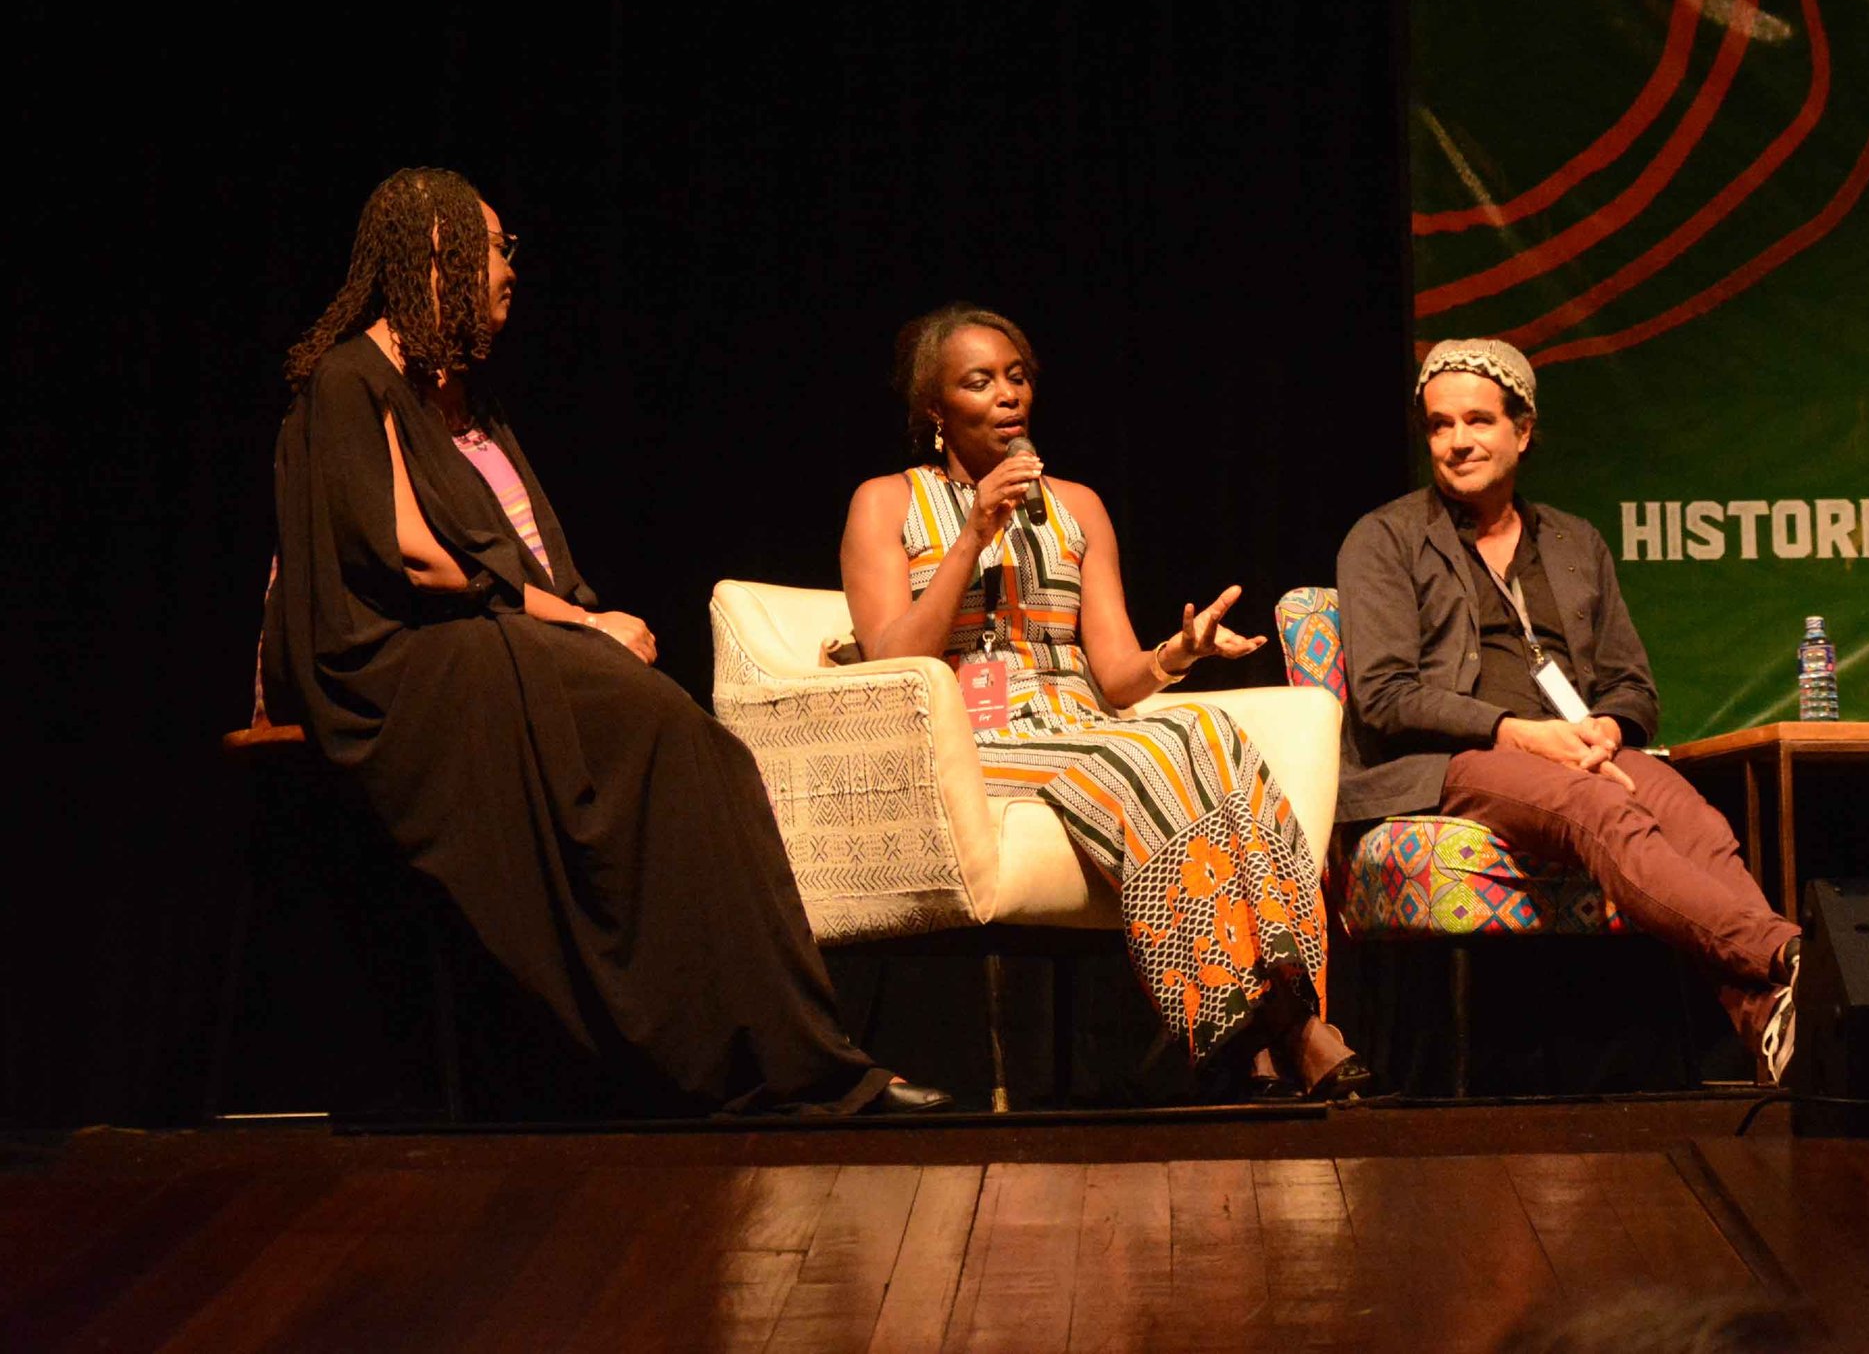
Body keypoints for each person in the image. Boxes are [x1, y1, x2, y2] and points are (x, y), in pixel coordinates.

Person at [262, 167, 943, 1117]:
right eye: (497, 245)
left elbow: (525, 558)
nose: (510, 269)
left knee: (698, 754)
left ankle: (782, 1051)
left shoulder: (471, 404)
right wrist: (584, 625)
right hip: (400, 664)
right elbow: (412, 558)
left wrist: (580, 620)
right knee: (665, 738)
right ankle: (734, 1060)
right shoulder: (351, 380)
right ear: (438, 253)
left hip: (493, 639)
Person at [839, 304, 1367, 1097]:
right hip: (967, 738)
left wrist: (1176, 654)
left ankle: (1277, 1012)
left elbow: (1116, 673)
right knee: (1149, 748)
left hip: (1078, 723)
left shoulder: (1077, 505)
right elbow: (892, 660)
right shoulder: (886, 503)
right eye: (979, 382)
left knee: (1204, 725)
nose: (1007, 394)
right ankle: (1274, 1027)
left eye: (1017, 376)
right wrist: (975, 529)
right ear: (935, 412)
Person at [1335, 339, 1803, 1081]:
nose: (1458, 441)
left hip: (1580, 749)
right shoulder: (1385, 539)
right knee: (1601, 810)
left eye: (1479, 420)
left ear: (1522, 430)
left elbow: (1633, 685)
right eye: (1439, 424)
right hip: (1450, 763)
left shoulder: (1575, 542)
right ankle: (1788, 954)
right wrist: (1519, 734)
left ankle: (1776, 1023)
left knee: (1696, 820)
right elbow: (1387, 696)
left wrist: (1604, 730)